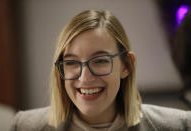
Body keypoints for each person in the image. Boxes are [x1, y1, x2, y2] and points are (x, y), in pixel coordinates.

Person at [11, 9, 191, 131]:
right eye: (72, 62)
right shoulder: (24, 126)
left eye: (99, 61)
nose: (85, 78)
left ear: (126, 65)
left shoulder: (180, 125)